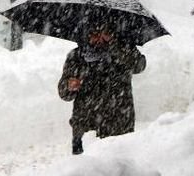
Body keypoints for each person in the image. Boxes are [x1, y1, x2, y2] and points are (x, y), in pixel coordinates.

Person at [58, 25, 146, 155]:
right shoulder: (77, 56)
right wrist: (69, 86)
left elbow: (139, 65)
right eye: (94, 34)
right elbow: (64, 93)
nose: (99, 38)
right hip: (85, 126)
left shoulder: (123, 50)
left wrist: (114, 46)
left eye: (104, 33)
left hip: (119, 124)